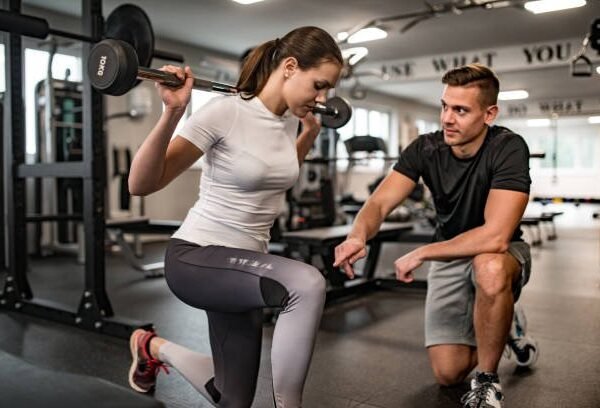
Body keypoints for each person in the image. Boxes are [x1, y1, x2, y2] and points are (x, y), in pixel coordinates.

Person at [126, 26, 343, 408]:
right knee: (306, 284)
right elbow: (141, 184)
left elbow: (276, 171)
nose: (323, 98)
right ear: (290, 67)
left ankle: (152, 347)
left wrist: (308, 132)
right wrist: (173, 111)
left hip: (245, 269)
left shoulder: (291, 120)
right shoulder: (225, 111)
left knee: (233, 398)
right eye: (319, 85)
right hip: (198, 256)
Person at [333, 63, 538, 408]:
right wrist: (358, 236)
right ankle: (506, 326)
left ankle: (488, 380)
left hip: (501, 253)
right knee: (448, 374)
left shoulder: (508, 147)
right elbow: (380, 202)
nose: (447, 118)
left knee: (488, 266)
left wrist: (424, 252)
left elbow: (496, 236)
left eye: (460, 110)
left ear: (489, 114)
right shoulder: (425, 149)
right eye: (445, 106)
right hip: (450, 253)